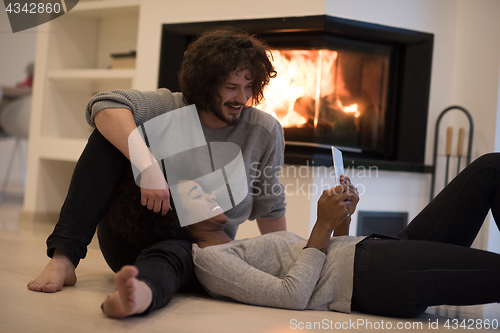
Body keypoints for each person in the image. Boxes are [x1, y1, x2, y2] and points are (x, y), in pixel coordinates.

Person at [27, 28, 287, 316]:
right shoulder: (170, 106)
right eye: (231, 87)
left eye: (249, 87)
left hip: (196, 248)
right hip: (131, 240)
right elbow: (103, 104)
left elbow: (269, 204)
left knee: (176, 254)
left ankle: (138, 294)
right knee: (108, 138)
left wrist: (282, 262)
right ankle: (64, 257)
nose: (243, 97)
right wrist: (148, 167)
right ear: (205, 84)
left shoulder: (264, 131)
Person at [184, 153, 499, 318]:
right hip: (374, 277)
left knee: (489, 169)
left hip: (376, 252)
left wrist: (342, 218)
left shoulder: (237, 244)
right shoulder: (210, 261)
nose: (213, 195)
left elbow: (329, 258)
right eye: (199, 196)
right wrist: (322, 225)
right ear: (180, 219)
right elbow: (291, 296)